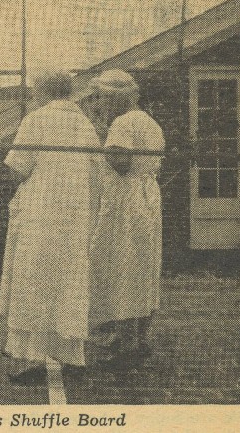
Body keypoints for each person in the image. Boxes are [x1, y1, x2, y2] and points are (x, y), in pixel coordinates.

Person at [0, 72, 102, 384]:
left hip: (41, 214)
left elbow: (17, 168)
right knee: (69, 281)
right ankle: (72, 357)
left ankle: (33, 360)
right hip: (76, 215)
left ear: (42, 91)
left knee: (35, 280)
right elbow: (97, 173)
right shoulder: (84, 123)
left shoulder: (36, 120)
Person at [87, 70, 165, 367]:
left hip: (127, 197)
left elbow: (120, 162)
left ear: (114, 98)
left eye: (102, 98)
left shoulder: (122, 123)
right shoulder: (148, 120)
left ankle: (128, 344)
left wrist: (100, 141)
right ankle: (136, 337)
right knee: (142, 265)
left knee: (122, 264)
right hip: (146, 195)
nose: (100, 104)